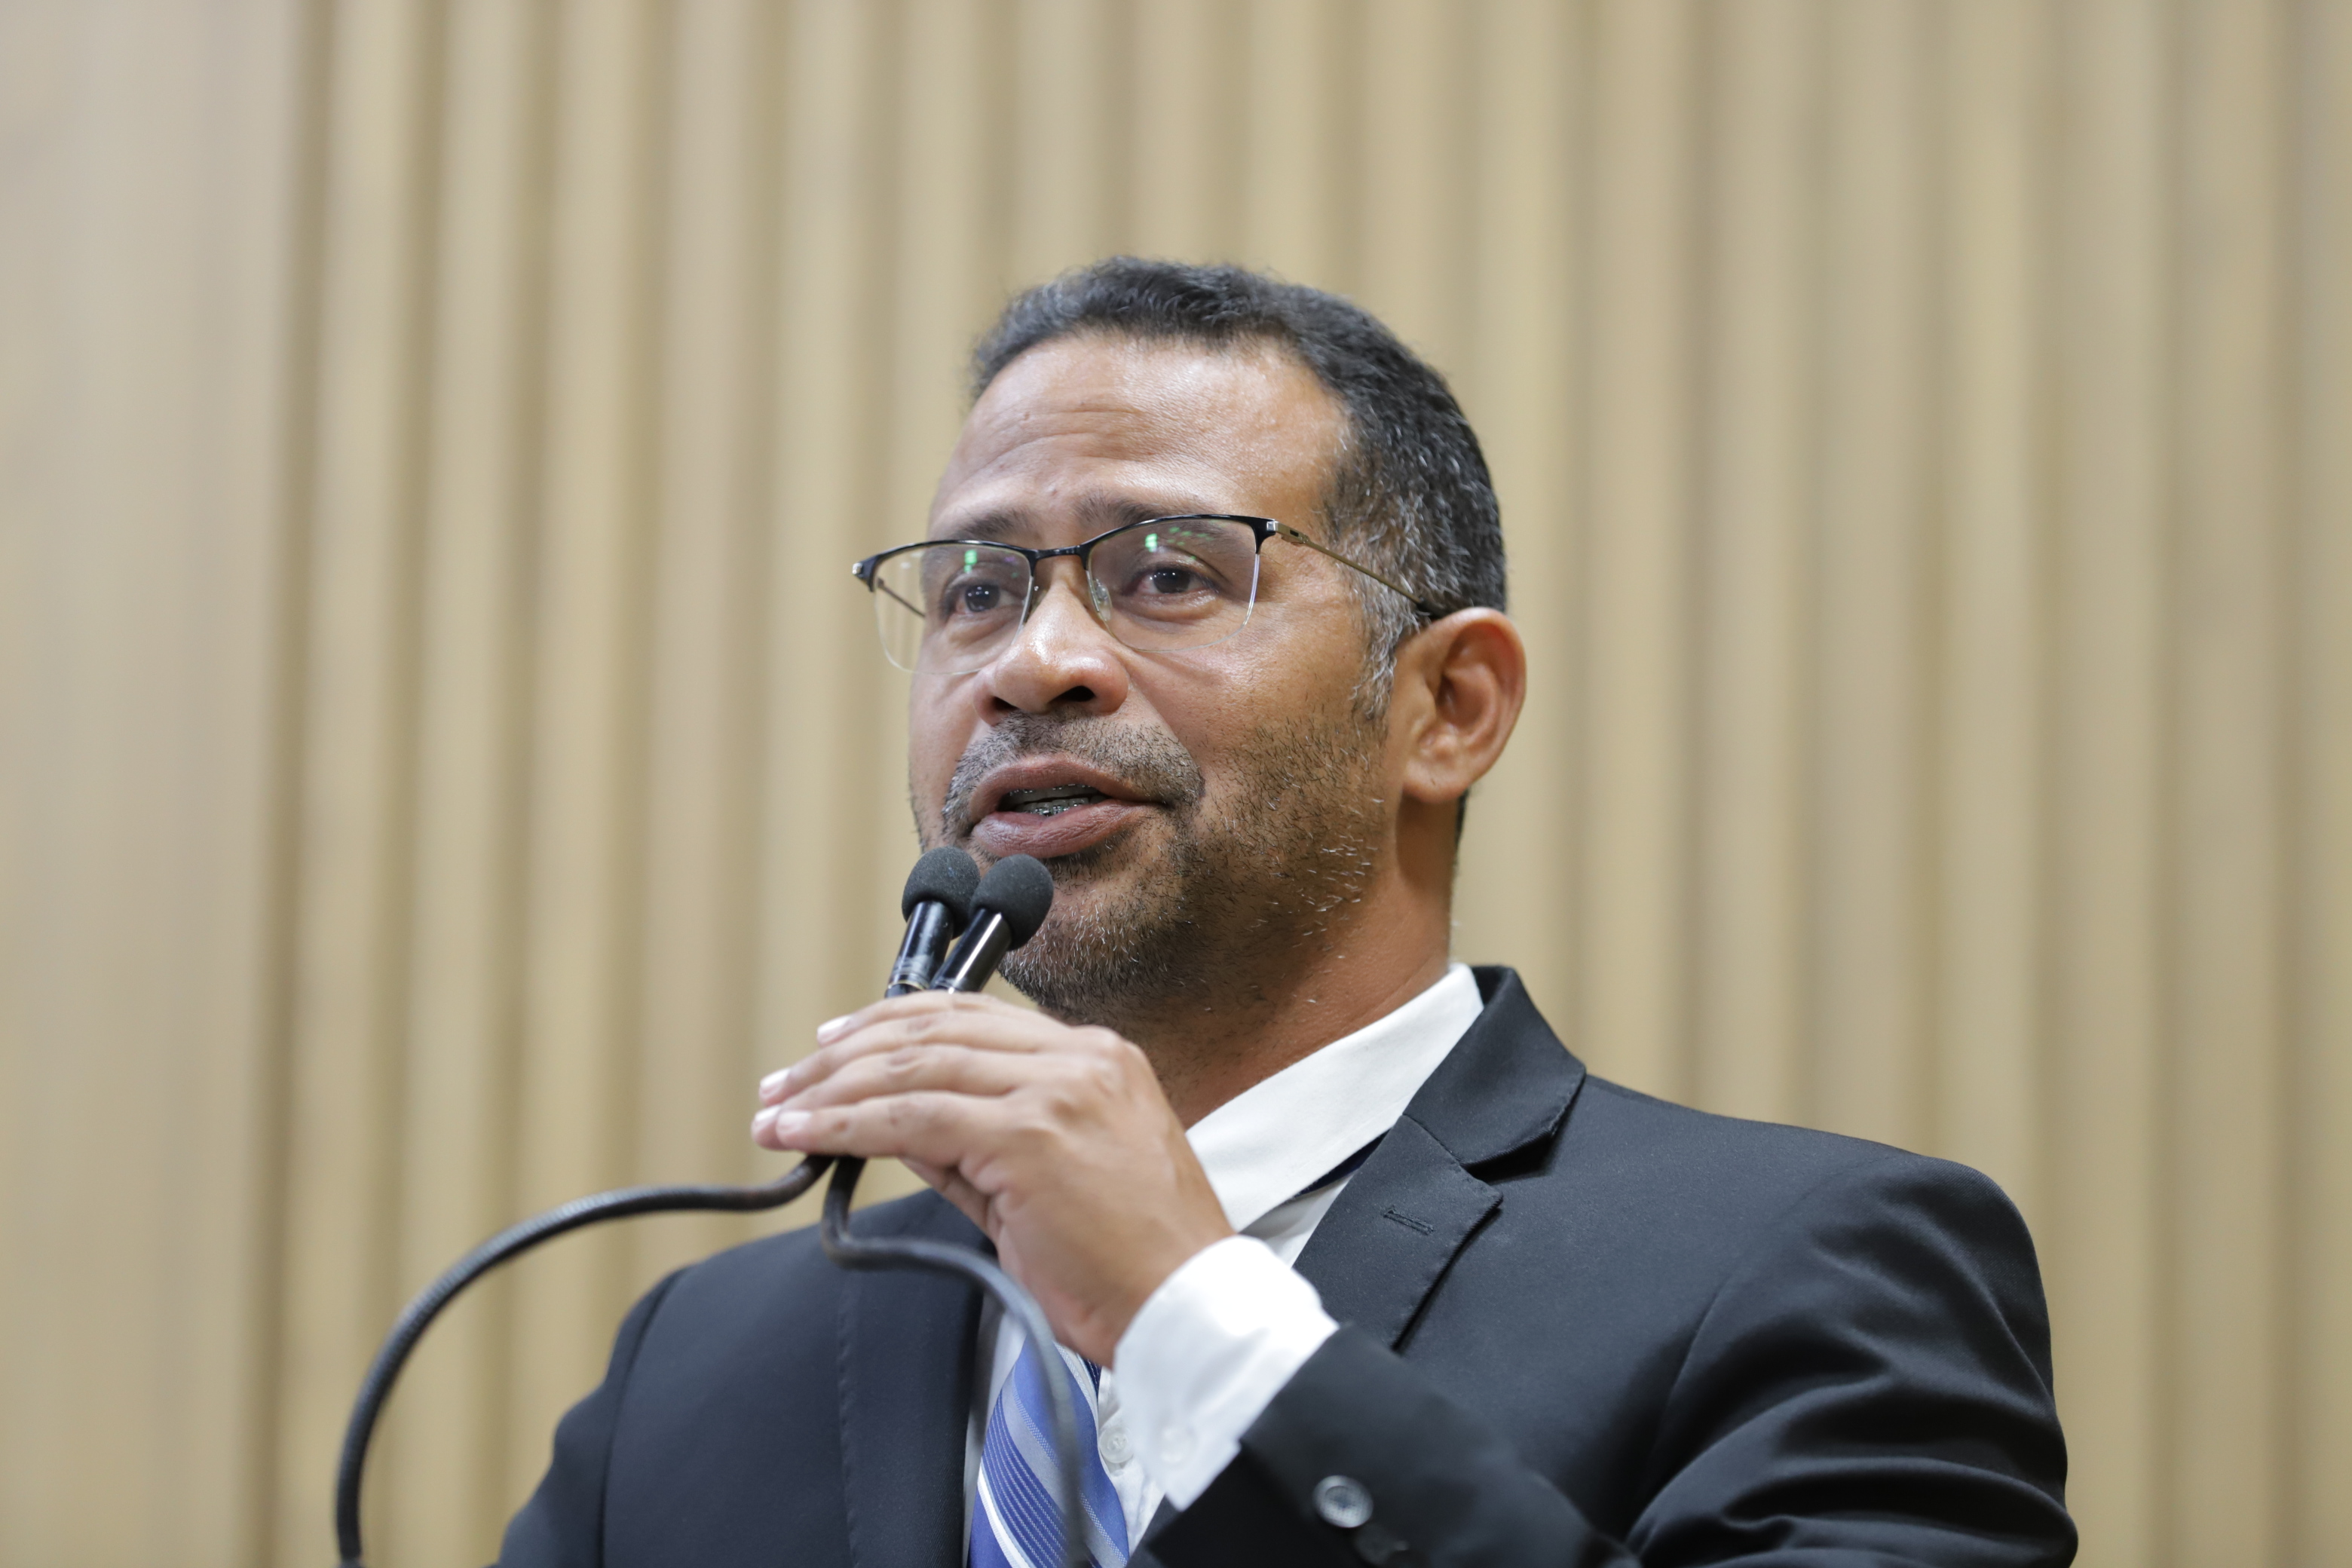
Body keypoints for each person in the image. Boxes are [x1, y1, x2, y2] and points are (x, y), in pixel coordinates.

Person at [495, 260, 2073, 1568]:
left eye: (1167, 573)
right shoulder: (705, 1361)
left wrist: (1193, 1317)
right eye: (976, 587)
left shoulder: (1808, 1270)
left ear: (1448, 707)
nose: (1034, 660)